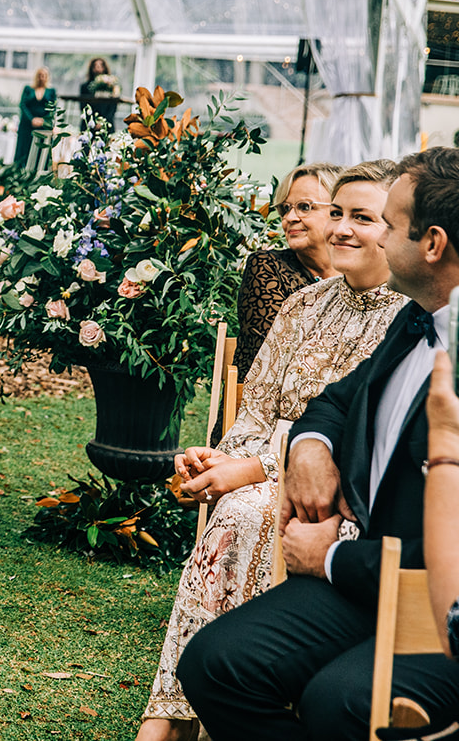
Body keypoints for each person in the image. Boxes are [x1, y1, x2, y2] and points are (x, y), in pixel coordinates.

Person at [179, 147, 459, 739]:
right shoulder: (418, 320)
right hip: (367, 580)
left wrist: (328, 558)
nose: (375, 236)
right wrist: (309, 447)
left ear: (431, 244)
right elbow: (332, 400)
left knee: (339, 701)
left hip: (437, 606)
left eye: (388, 222)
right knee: (216, 663)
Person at [140, 160, 404, 740]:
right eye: (336, 213)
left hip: (342, 493)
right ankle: (174, 713)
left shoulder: (409, 318)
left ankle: (187, 715)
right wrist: (218, 459)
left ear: (399, 230)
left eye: (362, 218)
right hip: (263, 463)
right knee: (238, 506)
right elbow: (256, 407)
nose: (339, 229)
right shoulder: (304, 305)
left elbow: (364, 435)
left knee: (245, 512)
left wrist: (253, 469)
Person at [230, 163, 343, 383]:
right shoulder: (266, 268)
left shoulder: (360, 275)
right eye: (286, 208)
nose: (289, 218)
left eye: (304, 207)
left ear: (339, 211)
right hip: (266, 410)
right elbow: (273, 360)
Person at [15, 66, 57, 169]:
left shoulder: (51, 91)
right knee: (24, 148)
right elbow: (23, 105)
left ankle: (39, 172)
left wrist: (43, 120)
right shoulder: (28, 89)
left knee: (42, 150)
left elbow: (53, 108)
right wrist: (32, 119)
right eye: (40, 75)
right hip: (27, 124)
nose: (42, 78)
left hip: (44, 124)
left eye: (44, 76)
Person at [78, 56, 121, 129]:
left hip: (106, 123)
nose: (98, 68)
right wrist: (92, 121)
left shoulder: (111, 86)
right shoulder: (85, 87)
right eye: (95, 66)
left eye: (100, 66)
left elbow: (113, 106)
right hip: (88, 124)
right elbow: (83, 106)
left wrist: (103, 122)